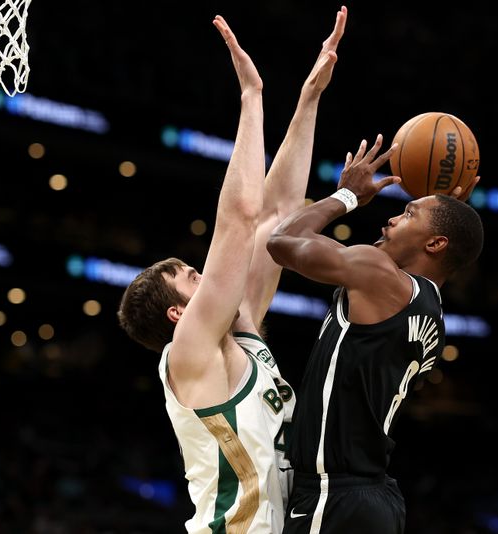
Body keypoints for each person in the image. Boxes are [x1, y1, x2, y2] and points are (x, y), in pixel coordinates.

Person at [117, 8, 348, 533]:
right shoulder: (191, 349)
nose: (206, 274)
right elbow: (240, 221)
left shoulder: (239, 330)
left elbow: (274, 215)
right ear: (180, 313)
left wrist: (309, 99)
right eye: (192, 278)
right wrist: (251, 97)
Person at [266, 136, 483, 533]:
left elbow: (281, 241)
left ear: (436, 243)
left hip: (333, 496)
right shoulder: (433, 320)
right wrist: (450, 211)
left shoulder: (379, 274)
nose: (390, 219)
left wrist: (348, 195)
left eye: (408, 214)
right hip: (376, 500)